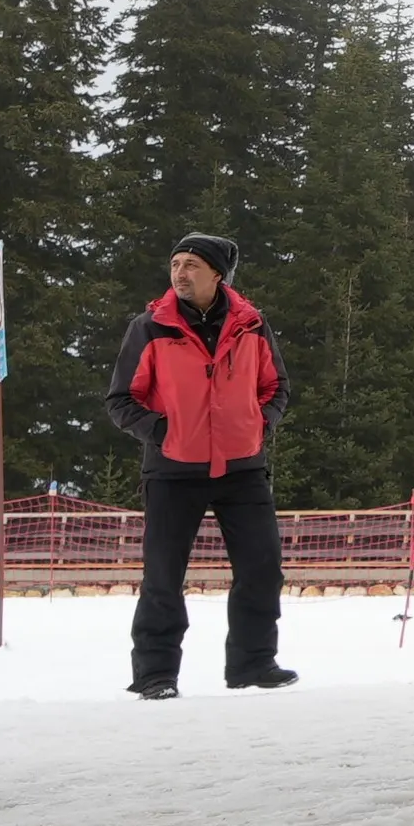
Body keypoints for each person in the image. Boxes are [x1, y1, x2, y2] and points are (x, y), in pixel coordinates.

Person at [105, 233, 292, 698]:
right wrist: (164, 433)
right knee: (163, 576)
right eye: (176, 264)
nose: (180, 273)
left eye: (191, 264)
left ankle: (253, 664)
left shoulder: (252, 325)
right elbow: (121, 400)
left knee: (262, 567)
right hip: (172, 470)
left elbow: (276, 387)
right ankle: (155, 675)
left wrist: (257, 426)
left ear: (217, 274)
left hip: (242, 467)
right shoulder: (150, 326)